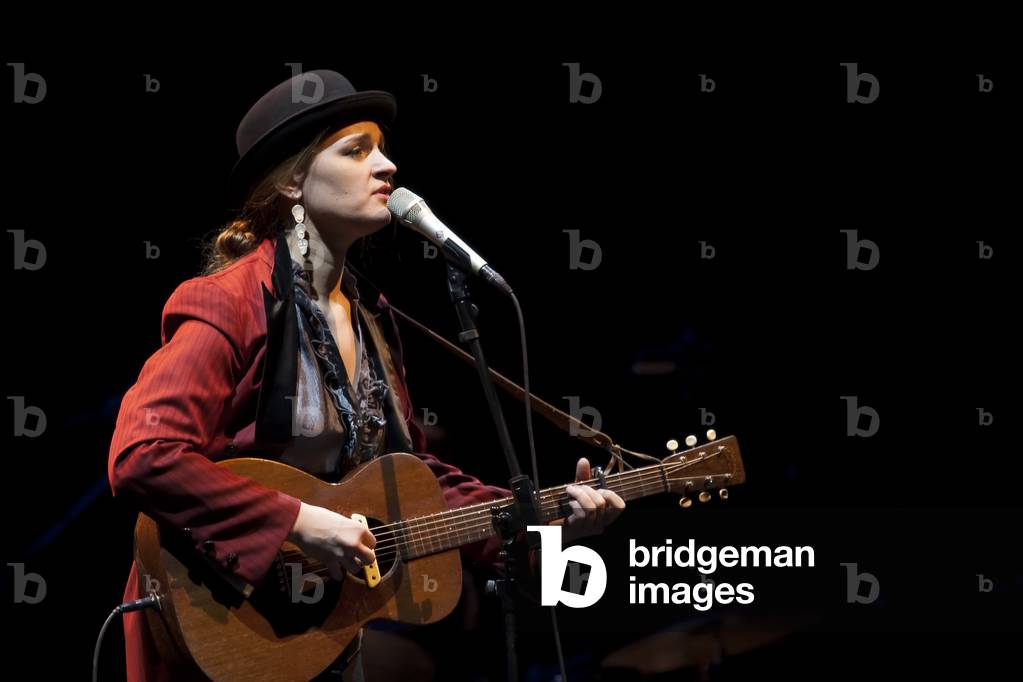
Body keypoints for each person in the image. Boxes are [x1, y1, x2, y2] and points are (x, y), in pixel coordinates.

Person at [107, 69, 625, 681]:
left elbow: (411, 486)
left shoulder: (373, 317)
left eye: (381, 148)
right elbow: (142, 455)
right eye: (357, 150)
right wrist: (302, 522)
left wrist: (540, 517)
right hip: (221, 623)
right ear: (294, 181)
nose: (388, 167)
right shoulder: (229, 301)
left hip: (319, 631)